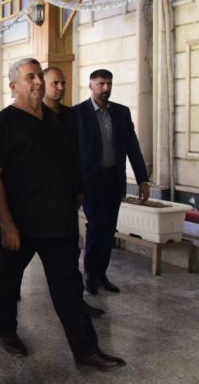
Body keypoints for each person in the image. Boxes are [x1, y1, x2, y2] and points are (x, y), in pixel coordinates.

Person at [0, 58, 125, 372]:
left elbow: (70, 160)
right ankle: (5, 330)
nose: (38, 82)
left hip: (58, 222)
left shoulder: (55, 119)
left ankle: (86, 350)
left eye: (39, 76)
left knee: (69, 289)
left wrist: (76, 194)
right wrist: (5, 223)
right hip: (20, 223)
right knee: (8, 282)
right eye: (30, 77)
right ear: (14, 86)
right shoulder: (4, 122)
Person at [74, 69, 150, 295]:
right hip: (90, 181)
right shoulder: (78, 113)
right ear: (91, 86)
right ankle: (90, 273)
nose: (106, 88)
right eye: (101, 84)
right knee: (97, 225)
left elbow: (133, 147)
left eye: (109, 84)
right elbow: (71, 151)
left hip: (113, 179)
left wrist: (142, 179)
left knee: (108, 229)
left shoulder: (121, 113)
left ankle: (101, 274)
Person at [42, 67, 106, 319]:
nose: (60, 88)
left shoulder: (71, 116)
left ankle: (76, 302)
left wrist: (79, 188)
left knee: (69, 255)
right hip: (38, 202)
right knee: (17, 262)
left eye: (63, 83)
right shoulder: (33, 115)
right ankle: (6, 319)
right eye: (54, 83)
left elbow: (77, 155)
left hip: (66, 199)